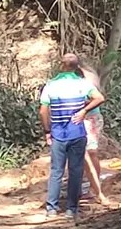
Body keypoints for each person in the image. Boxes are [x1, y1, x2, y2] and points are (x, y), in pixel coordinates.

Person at [39, 53, 106, 219]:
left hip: (58, 133)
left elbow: (43, 110)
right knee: (76, 170)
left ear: (61, 66)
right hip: (77, 133)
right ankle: (71, 209)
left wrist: (47, 131)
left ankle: (52, 209)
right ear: (77, 67)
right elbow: (100, 98)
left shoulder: (51, 85)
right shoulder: (83, 84)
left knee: (56, 171)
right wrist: (84, 111)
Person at [79, 64, 109, 205]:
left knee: (91, 152)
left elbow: (97, 98)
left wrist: (81, 106)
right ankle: (86, 187)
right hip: (79, 118)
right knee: (81, 154)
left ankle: (95, 189)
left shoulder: (87, 78)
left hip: (90, 118)